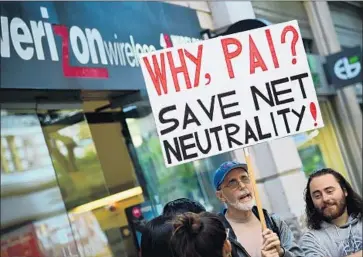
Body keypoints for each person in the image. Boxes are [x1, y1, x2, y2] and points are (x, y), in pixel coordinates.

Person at [214, 161, 304, 257]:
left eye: (245, 178)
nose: (242, 186)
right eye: (232, 182)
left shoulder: (275, 223)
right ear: (221, 196)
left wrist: (282, 252)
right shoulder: (218, 236)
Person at [300, 168, 363, 257]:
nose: (325, 198)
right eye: (317, 196)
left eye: (329, 191)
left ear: (344, 191)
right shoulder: (311, 240)